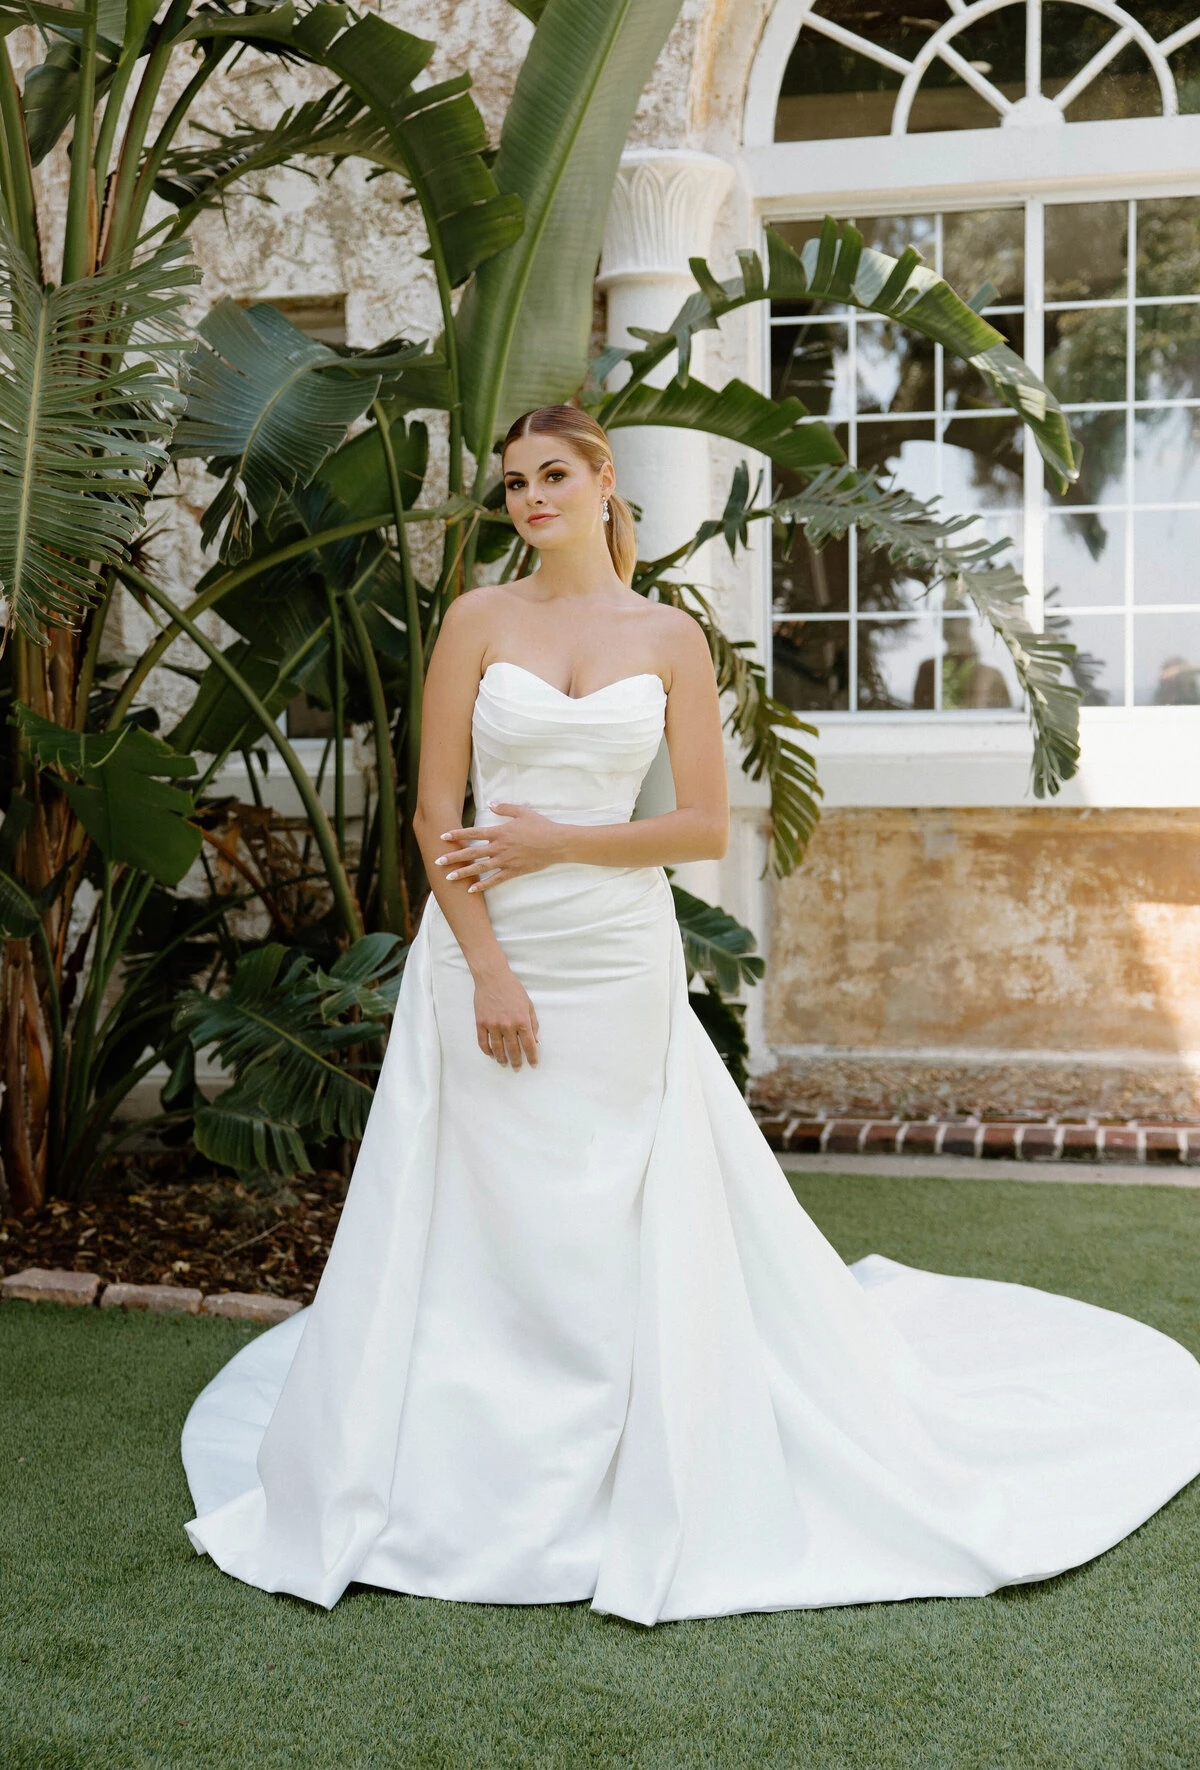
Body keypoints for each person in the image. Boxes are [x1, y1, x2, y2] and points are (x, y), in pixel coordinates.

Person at [182, 406, 1200, 1623]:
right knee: (484, 1203)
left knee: (612, 1201)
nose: (531, 500)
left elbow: (703, 828)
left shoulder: (668, 636)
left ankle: (631, 1445)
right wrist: (489, 972)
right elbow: (431, 816)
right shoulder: (476, 620)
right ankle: (470, 1458)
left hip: (615, 956)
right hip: (489, 958)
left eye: (554, 475)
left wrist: (563, 839)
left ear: (605, 481)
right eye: (512, 485)